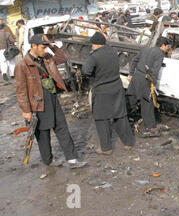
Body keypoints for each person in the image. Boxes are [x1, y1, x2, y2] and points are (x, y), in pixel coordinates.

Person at [14, 34, 87, 168]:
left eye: (46, 47)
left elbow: (62, 58)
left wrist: (51, 45)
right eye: (43, 47)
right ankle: (48, 161)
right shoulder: (22, 65)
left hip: (52, 99)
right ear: (34, 46)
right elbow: (21, 90)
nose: (45, 50)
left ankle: (72, 159)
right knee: (43, 135)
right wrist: (26, 111)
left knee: (62, 129)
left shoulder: (47, 58)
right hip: (37, 104)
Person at [81, 33, 135, 155]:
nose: (91, 47)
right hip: (116, 87)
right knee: (120, 116)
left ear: (95, 44)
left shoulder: (94, 56)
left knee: (101, 119)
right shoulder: (113, 51)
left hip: (101, 91)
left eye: (92, 45)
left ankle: (106, 148)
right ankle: (128, 142)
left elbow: (86, 71)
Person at [127, 37, 171, 136]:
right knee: (148, 103)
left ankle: (131, 120)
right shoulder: (160, 54)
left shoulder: (146, 49)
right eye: (167, 47)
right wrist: (153, 86)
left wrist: (130, 74)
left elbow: (134, 60)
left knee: (134, 100)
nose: (168, 49)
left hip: (136, 78)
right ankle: (150, 127)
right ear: (162, 45)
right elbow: (155, 71)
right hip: (146, 80)